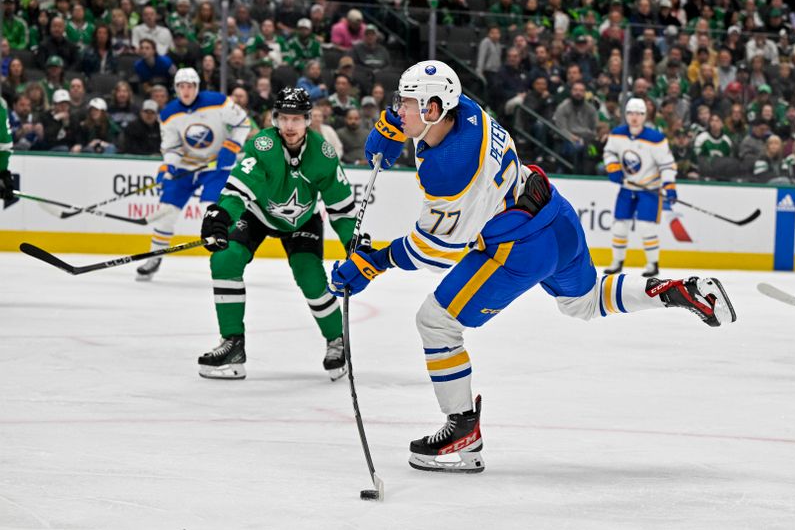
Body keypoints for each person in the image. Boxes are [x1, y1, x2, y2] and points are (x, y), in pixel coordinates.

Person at [328, 60, 737, 473]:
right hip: (555, 214)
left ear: (433, 109)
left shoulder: (448, 172)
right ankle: (676, 291)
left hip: (517, 248)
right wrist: (397, 127)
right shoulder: (464, 109)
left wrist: (372, 263)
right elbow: (427, 123)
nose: (397, 108)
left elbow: (434, 251)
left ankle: (462, 431)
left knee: (436, 323)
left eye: (406, 103)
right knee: (584, 301)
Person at [197, 87, 358, 381]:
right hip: (257, 215)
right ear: (275, 119)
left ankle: (336, 340)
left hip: (302, 222)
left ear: (308, 120)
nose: (289, 126)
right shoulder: (262, 146)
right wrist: (222, 215)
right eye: (284, 118)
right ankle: (233, 344)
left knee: (310, 277)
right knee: (225, 259)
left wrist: (354, 244)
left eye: (296, 119)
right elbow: (238, 190)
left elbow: (343, 211)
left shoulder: (323, 154)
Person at [136, 68, 251, 281]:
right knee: (166, 211)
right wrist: (167, 166)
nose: (186, 91)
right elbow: (172, 148)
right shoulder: (169, 113)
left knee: (211, 211)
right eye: (181, 87)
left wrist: (232, 146)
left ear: (197, 87)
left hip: (216, 165)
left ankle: (227, 258)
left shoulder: (217, 101)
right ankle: (154, 257)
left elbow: (242, 122)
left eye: (190, 86)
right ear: (176, 89)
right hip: (186, 167)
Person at [602, 98, 677, 278]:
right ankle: (617, 262)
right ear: (626, 115)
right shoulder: (617, 134)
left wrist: (670, 185)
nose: (634, 117)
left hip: (649, 189)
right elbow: (609, 152)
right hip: (627, 188)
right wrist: (613, 168)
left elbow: (667, 164)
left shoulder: (656, 139)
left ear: (645, 116)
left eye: (639, 114)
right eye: (631, 113)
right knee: (619, 225)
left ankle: (652, 264)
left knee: (646, 227)